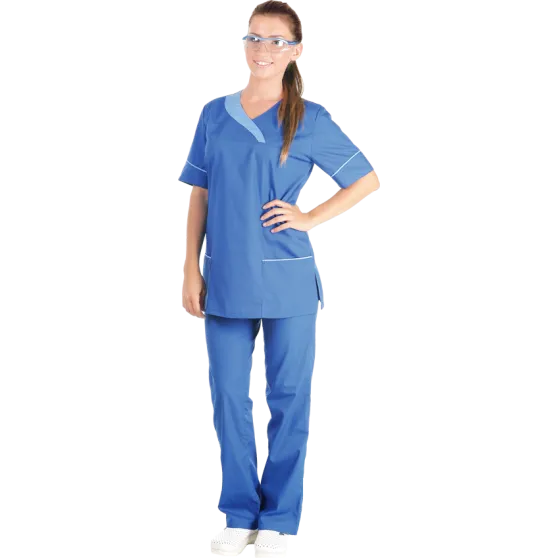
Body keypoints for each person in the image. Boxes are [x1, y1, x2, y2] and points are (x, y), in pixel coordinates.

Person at [179, 1, 380, 556]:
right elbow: (199, 195)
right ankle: (239, 513)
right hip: (224, 277)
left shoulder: (307, 118)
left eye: (276, 41)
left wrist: (311, 217)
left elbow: (365, 179)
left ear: (296, 52)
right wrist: (189, 267)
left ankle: (278, 522)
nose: (262, 49)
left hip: (287, 278)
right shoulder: (216, 116)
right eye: (255, 37)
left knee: (289, 399)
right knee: (229, 397)